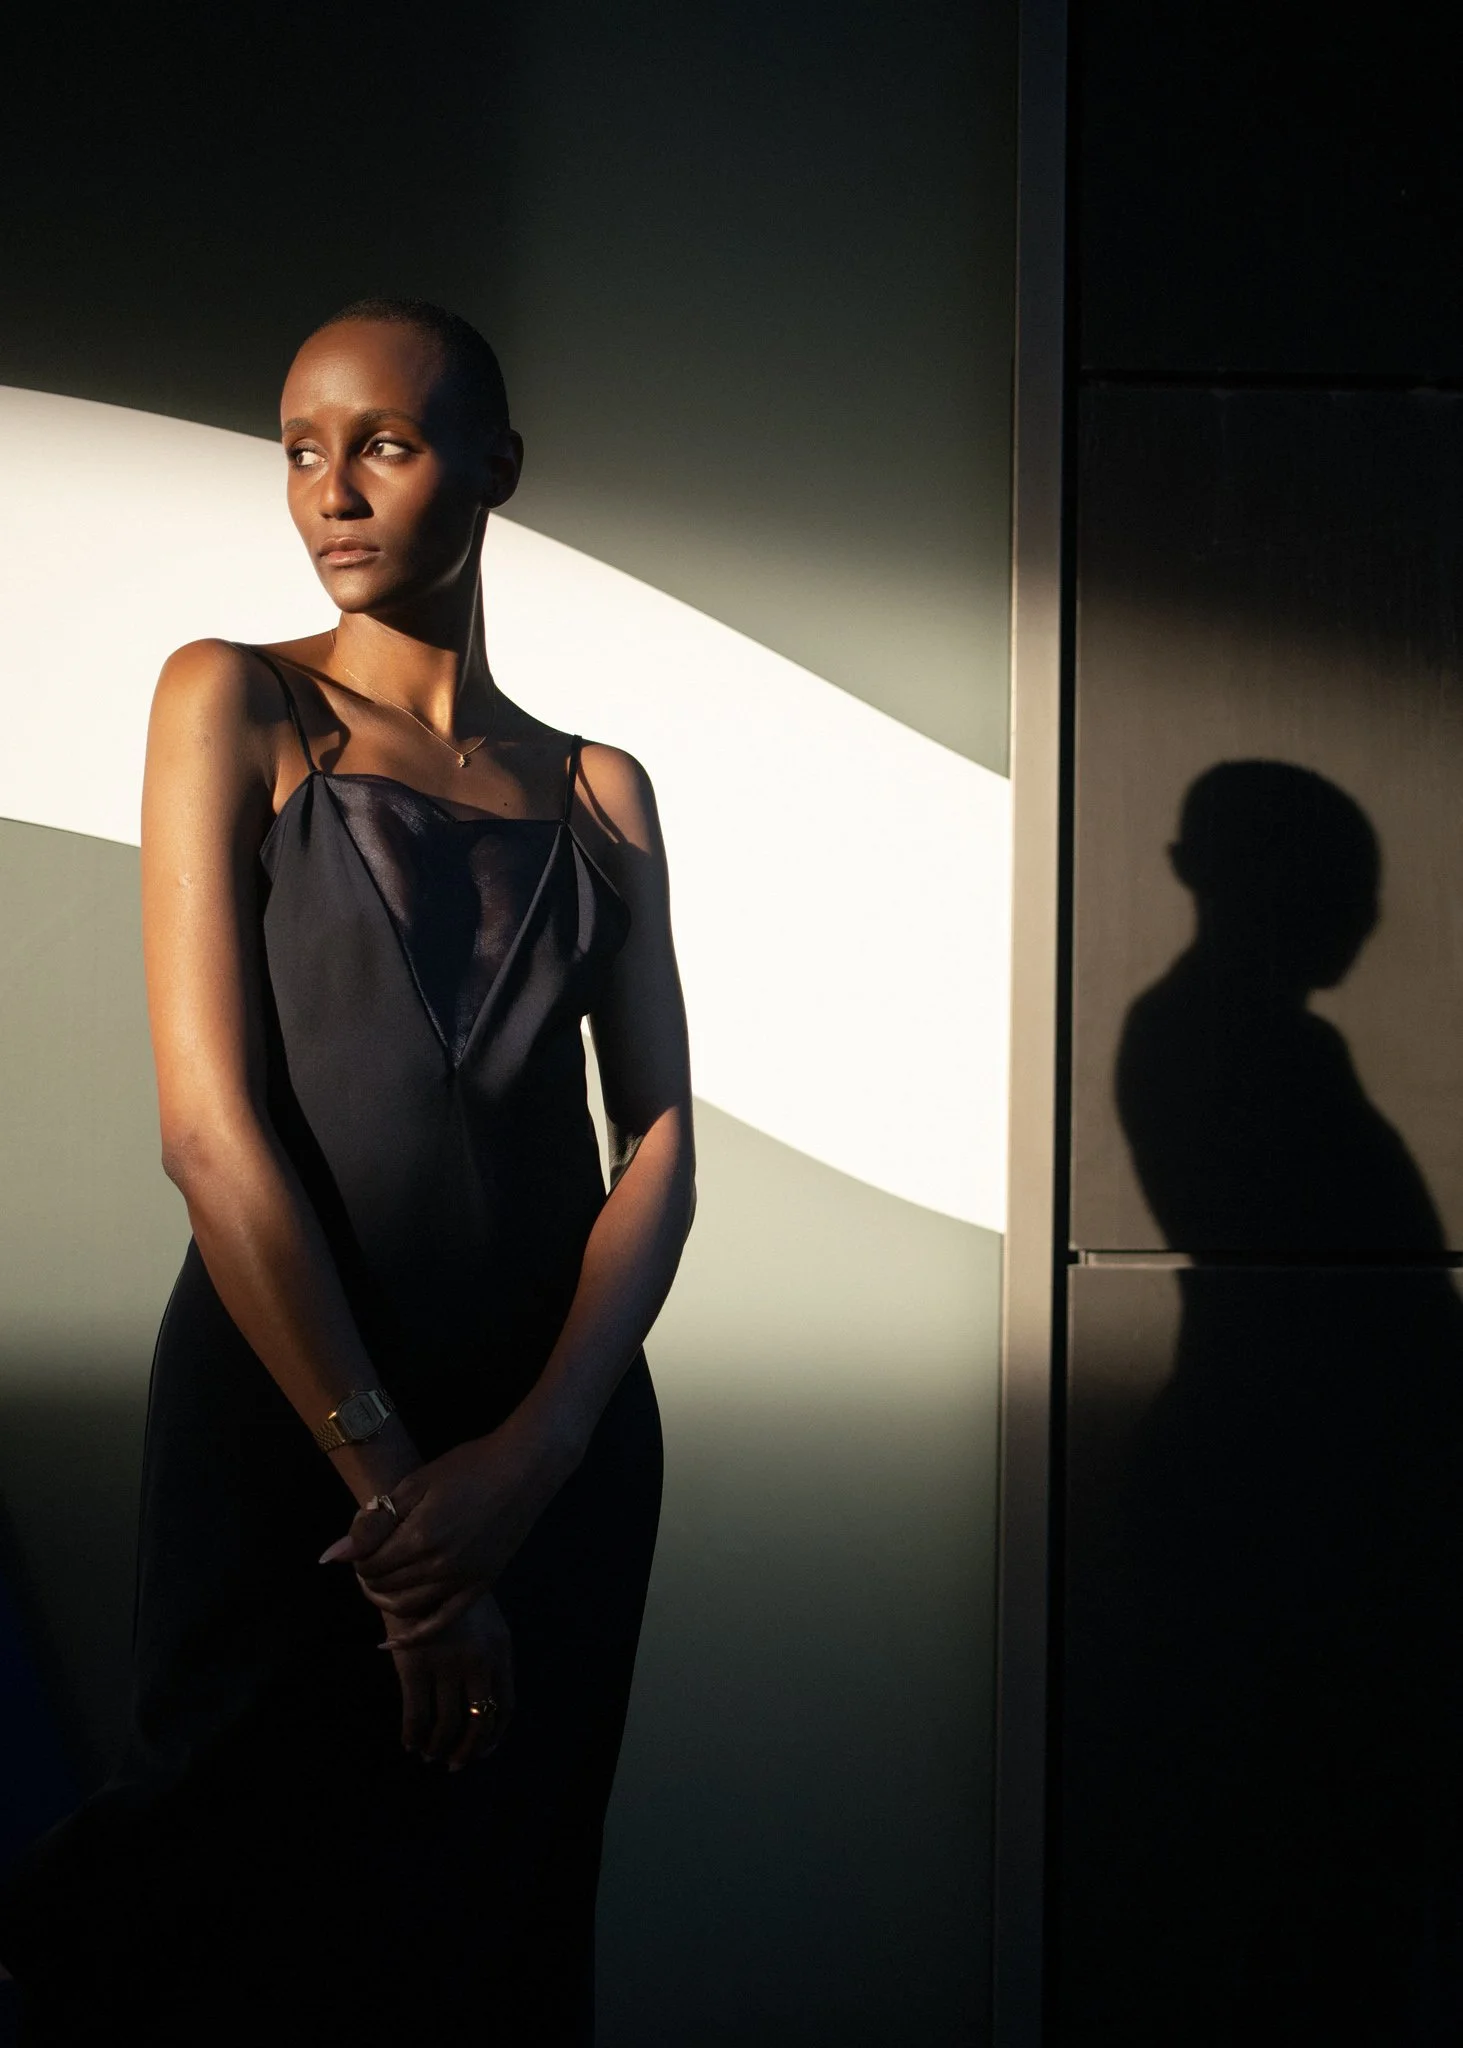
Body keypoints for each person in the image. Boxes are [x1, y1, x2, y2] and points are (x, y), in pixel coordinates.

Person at [0, 297, 695, 2044]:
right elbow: (207, 1132)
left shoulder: (601, 790)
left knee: (493, 1923)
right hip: (292, 1423)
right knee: (224, 1915)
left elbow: (664, 1147)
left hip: (552, 1446)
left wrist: (530, 1465)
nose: (331, 489)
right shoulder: (231, 699)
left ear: (496, 470)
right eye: (301, 449)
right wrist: (403, 1515)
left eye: (380, 442)